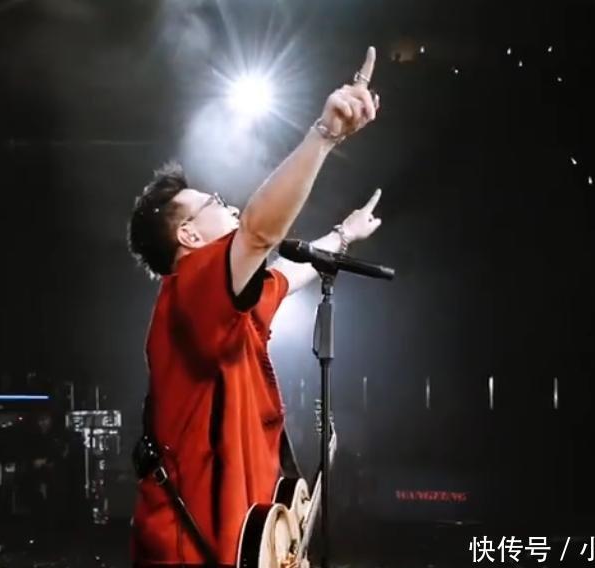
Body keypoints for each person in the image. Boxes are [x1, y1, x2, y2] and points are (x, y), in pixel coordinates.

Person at [126, 47, 384, 567]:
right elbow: (259, 232)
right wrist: (324, 135)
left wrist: (343, 235)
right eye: (214, 203)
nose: (229, 205)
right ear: (188, 235)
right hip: (192, 553)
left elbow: (286, 275)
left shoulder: (227, 306)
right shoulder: (189, 290)